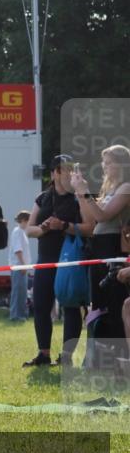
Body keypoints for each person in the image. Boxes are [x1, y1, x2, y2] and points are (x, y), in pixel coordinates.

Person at [22, 155, 96, 367]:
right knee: (41, 306)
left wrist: (63, 226)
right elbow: (29, 230)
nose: (69, 173)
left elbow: (89, 228)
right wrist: (44, 228)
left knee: (71, 306)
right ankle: (43, 354)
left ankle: (66, 357)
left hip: (70, 258)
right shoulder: (43, 198)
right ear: (54, 173)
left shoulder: (78, 197)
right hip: (45, 258)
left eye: (72, 169)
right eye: (64, 170)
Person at [72, 144, 130, 340]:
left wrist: (86, 192)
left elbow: (103, 215)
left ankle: (116, 352)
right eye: (104, 162)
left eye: (109, 163)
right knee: (98, 301)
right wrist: (80, 192)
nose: (104, 167)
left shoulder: (126, 187)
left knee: (113, 299)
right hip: (98, 245)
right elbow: (91, 218)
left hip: (113, 246)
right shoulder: (110, 188)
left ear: (122, 165)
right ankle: (98, 353)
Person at [9, 211, 32, 322]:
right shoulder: (18, 232)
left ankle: (21, 314)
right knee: (18, 292)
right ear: (23, 220)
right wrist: (23, 265)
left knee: (22, 292)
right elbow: (18, 250)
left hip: (22, 267)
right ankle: (16, 315)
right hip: (18, 267)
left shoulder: (22, 232)